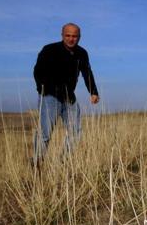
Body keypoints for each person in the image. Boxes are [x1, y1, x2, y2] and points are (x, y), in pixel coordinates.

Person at [33, 22, 99, 165]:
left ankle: (63, 162)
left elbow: (87, 72)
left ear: (79, 37)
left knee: (76, 133)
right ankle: (37, 163)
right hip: (49, 97)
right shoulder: (49, 49)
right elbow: (38, 71)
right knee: (45, 133)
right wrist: (43, 89)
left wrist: (93, 92)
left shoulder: (82, 53)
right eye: (68, 35)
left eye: (74, 36)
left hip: (69, 98)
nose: (71, 39)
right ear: (62, 35)